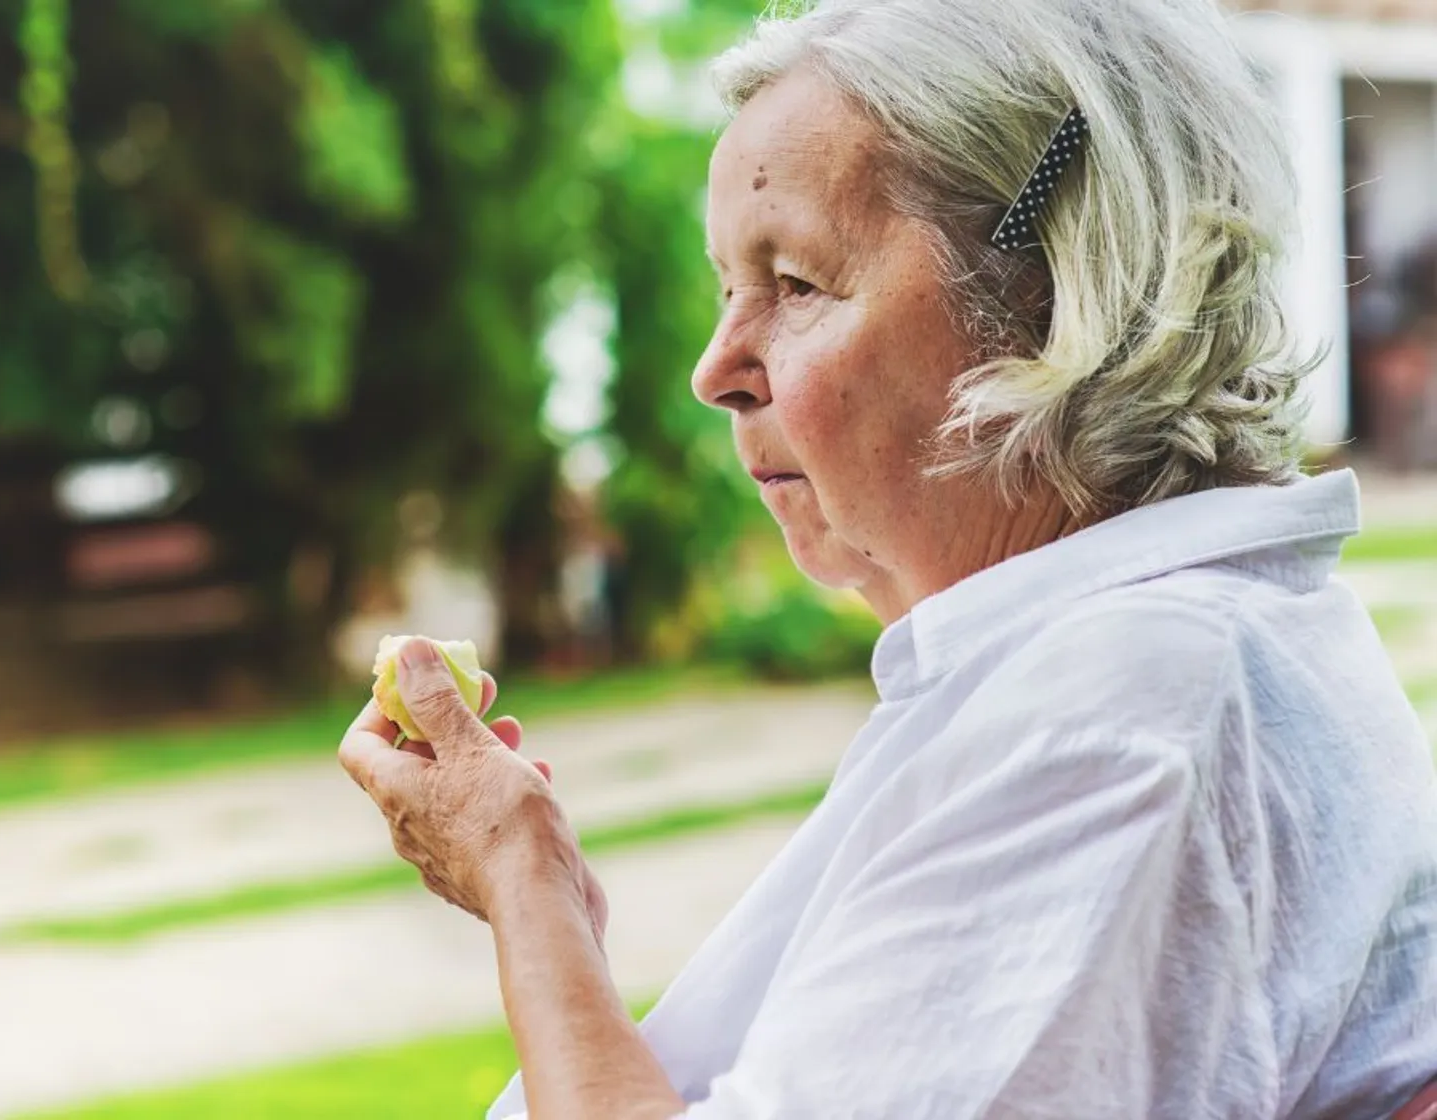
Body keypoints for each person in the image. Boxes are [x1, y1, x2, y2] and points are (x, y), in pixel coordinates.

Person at [336, 0, 1437, 1115]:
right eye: (729, 287)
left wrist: (522, 877)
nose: (715, 369)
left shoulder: (1120, 711)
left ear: (1054, 299)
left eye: (797, 282)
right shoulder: (1126, 658)